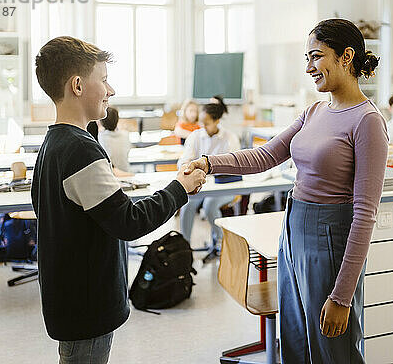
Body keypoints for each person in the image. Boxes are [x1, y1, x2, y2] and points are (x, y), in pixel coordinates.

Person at [186, 19, 388, 363]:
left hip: (330, 238)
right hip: (294, 233)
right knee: (294, 340)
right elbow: (266, 155)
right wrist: (207, 162)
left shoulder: (367, 121)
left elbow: (365, 214)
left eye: (316, 56)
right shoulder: (314, 111)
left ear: (346, 56)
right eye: (307, 58)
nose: (309, 67)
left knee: (331, 349)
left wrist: (342, 296)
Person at [32, 36, 206, 364]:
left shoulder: (53, 143)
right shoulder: (81, 150)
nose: (111, 90)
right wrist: (179, 187)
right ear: (78, 85)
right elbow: (129, 221)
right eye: (105, 79)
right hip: (86, 305)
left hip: (68, 298)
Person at [177, 96, 240, 260]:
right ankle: (185, 247)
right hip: (201, 186)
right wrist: (186, 167)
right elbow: (184, 161)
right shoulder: (195, 136)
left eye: (207, 123)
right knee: (188, 204)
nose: (202, 126)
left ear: (217, 121)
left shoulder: (230, 138)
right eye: (202, 122)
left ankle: (220, 242)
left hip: (224, 188)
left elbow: (237, 165)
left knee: (211, 204)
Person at [98, 106, 131, 173]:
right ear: (118, 119)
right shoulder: (126, 135)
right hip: (126, 172)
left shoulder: (100, 137)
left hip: (111, 175)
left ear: (101, 122)